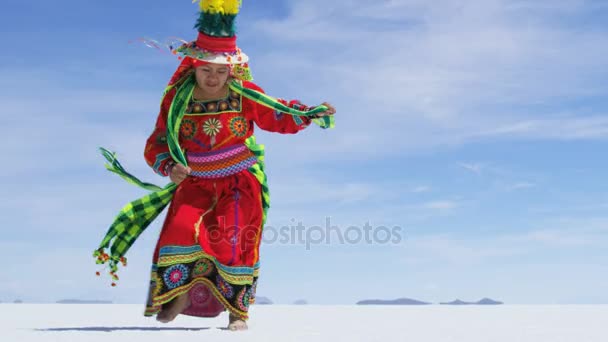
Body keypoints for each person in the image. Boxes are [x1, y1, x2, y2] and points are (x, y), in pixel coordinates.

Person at [94, 0, 335, 331]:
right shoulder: (178, 100)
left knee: (231, 237)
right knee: (180, 230)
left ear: (232, 69)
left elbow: (275, 114)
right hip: (194, 182)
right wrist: (168, 166)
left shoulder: (244, 93)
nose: (213, 77)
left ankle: (237, 311)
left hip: (239, 181)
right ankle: (180, 293)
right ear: (192, 65)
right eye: (206, 69)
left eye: (221, 70)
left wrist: (308, 113)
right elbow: (157, 142)